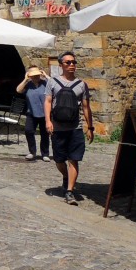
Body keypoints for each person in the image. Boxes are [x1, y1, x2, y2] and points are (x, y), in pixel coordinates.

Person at [44, 51, 94, 205]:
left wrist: (90, 126)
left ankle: (69, 191)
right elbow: (47, 101)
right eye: (68, 62)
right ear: (61, 65)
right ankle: (65, 176)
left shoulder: (81, 85)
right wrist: (48, 121)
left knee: (74, 158)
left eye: (73, 62)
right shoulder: (52, 82)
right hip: (58, 127)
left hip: (75, 127)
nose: (72, 65)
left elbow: (86, 107)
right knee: (59, 160)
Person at [16, 65, 50, 162]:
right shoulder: (28, 85)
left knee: (45, 134)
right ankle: (32, 152)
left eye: (37, 75)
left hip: (45, 113)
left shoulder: (45, 83)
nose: (36, 77)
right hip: (31, 113)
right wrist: (25, 79)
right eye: (34, 75)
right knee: (28, 131)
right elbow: (18, 90)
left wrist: (46, 76)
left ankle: (45, 153)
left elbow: (55, 84)